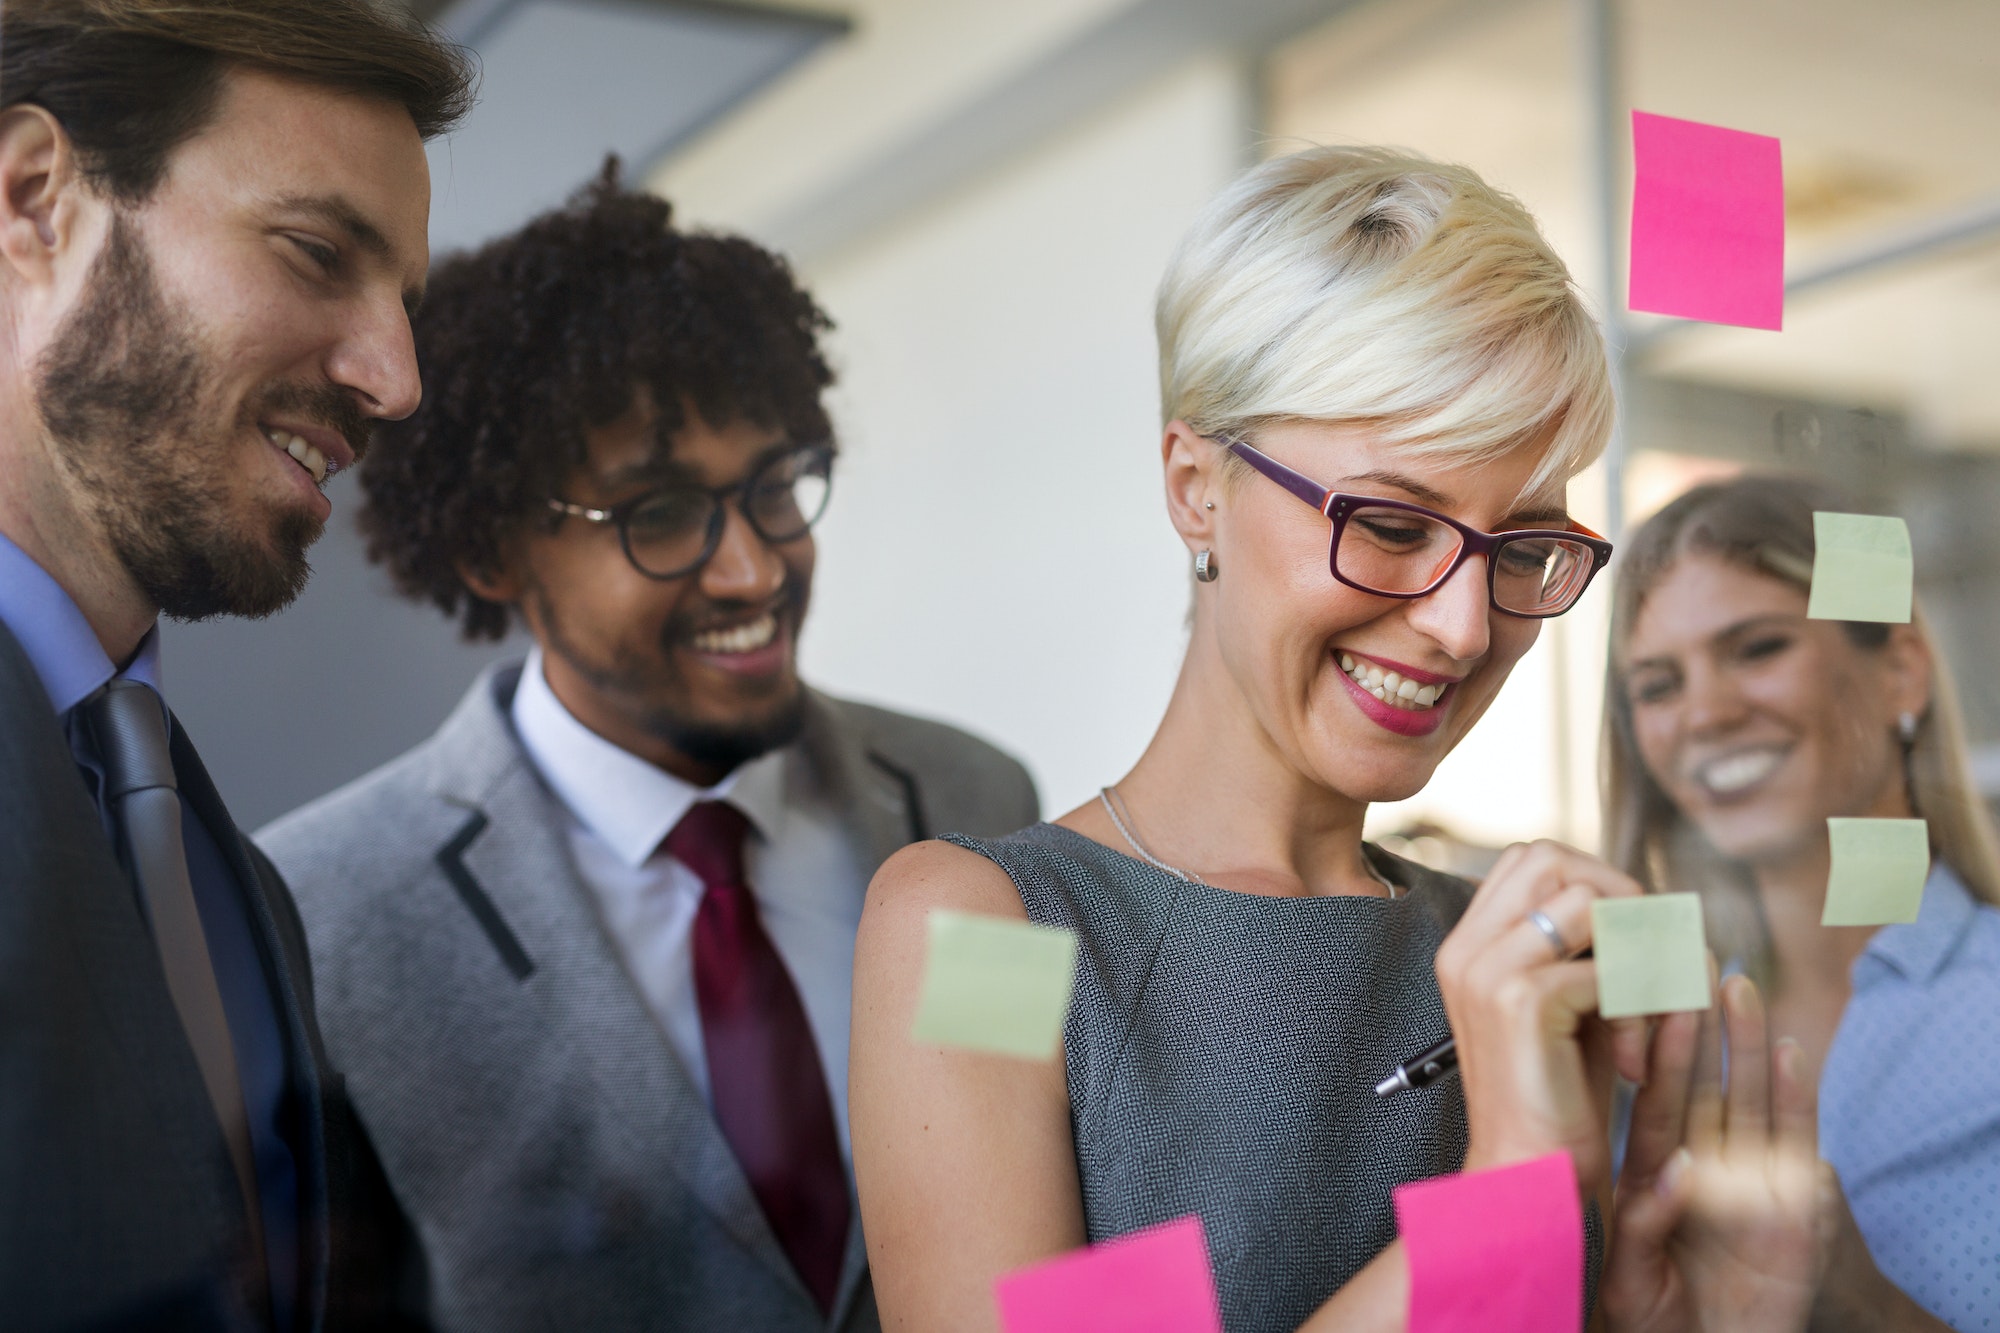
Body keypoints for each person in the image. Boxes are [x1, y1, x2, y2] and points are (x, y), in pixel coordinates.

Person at [849, 145, 1831, 1333]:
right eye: (1390, 523)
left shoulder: (1504, 955)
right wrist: (1502, 1192)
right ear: (1195, 486)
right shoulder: (999, 935)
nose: (1462, 625)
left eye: (1519, 550)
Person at [254, 166, 1039, 1333]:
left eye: (774, 487)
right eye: (659, 514)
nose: (754, 569)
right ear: (491, 552)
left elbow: (1033, 1142)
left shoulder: (972, 796)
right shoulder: (321, 912)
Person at [0, 2, 472, 1329]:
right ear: (35, 198)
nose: (398, 380)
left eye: (407, 307)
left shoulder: (240, 886)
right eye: (318, 251)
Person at [1605, 472, 1998, 1332]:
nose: (1705, 712)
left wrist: (1867, 1305)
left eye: (1757, 647)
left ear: (1900, 672)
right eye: (1659, 684)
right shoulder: (1651, 1045)